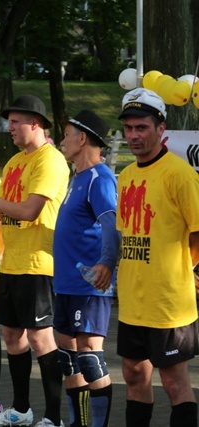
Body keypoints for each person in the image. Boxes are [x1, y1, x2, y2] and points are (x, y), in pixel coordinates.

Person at [0, 95, 70, 427]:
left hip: (39, 264)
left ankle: (54, 418)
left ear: (35, 123)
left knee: (41, 337)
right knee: (12, 334)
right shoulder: (15, 162)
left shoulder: (51, 160)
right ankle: (20, 409)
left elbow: (29, 210)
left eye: (15, 122)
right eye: (9, 121)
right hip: (12, 263)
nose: (10, 128)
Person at [115, 88, 199, 427]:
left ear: (161, 128)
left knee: (174, 382)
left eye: (142, 128)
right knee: (134, 374)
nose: (134, 136)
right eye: (129, 128)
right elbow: (128, 234)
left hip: (168, 303)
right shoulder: (126, 176)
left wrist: (186, 270)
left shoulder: (180, 175)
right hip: (134, 300)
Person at [54, 110, 119, 427]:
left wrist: (107, 261)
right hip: (65, 283)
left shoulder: (99, 177)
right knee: (67, 359)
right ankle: (75, 423)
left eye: (66, 134)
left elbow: (112, 224)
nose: (62, 140)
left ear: (82, 138)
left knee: (90, 357)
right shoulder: (76, 177)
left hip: (88, 286)